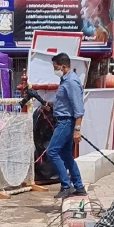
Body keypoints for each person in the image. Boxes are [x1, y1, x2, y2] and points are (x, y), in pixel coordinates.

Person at [45, 52, 86, 198]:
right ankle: (79, 186)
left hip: (66, 122)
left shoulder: (71, 82)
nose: (55, 70)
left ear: (63, 66)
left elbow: (78, 108)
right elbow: (66, 102)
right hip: (63, 119)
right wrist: (52, 105)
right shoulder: (65, 80)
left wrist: (77, 129)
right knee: (66, 155)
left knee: (52, 152)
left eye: (56, 67)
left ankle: (65, 185)